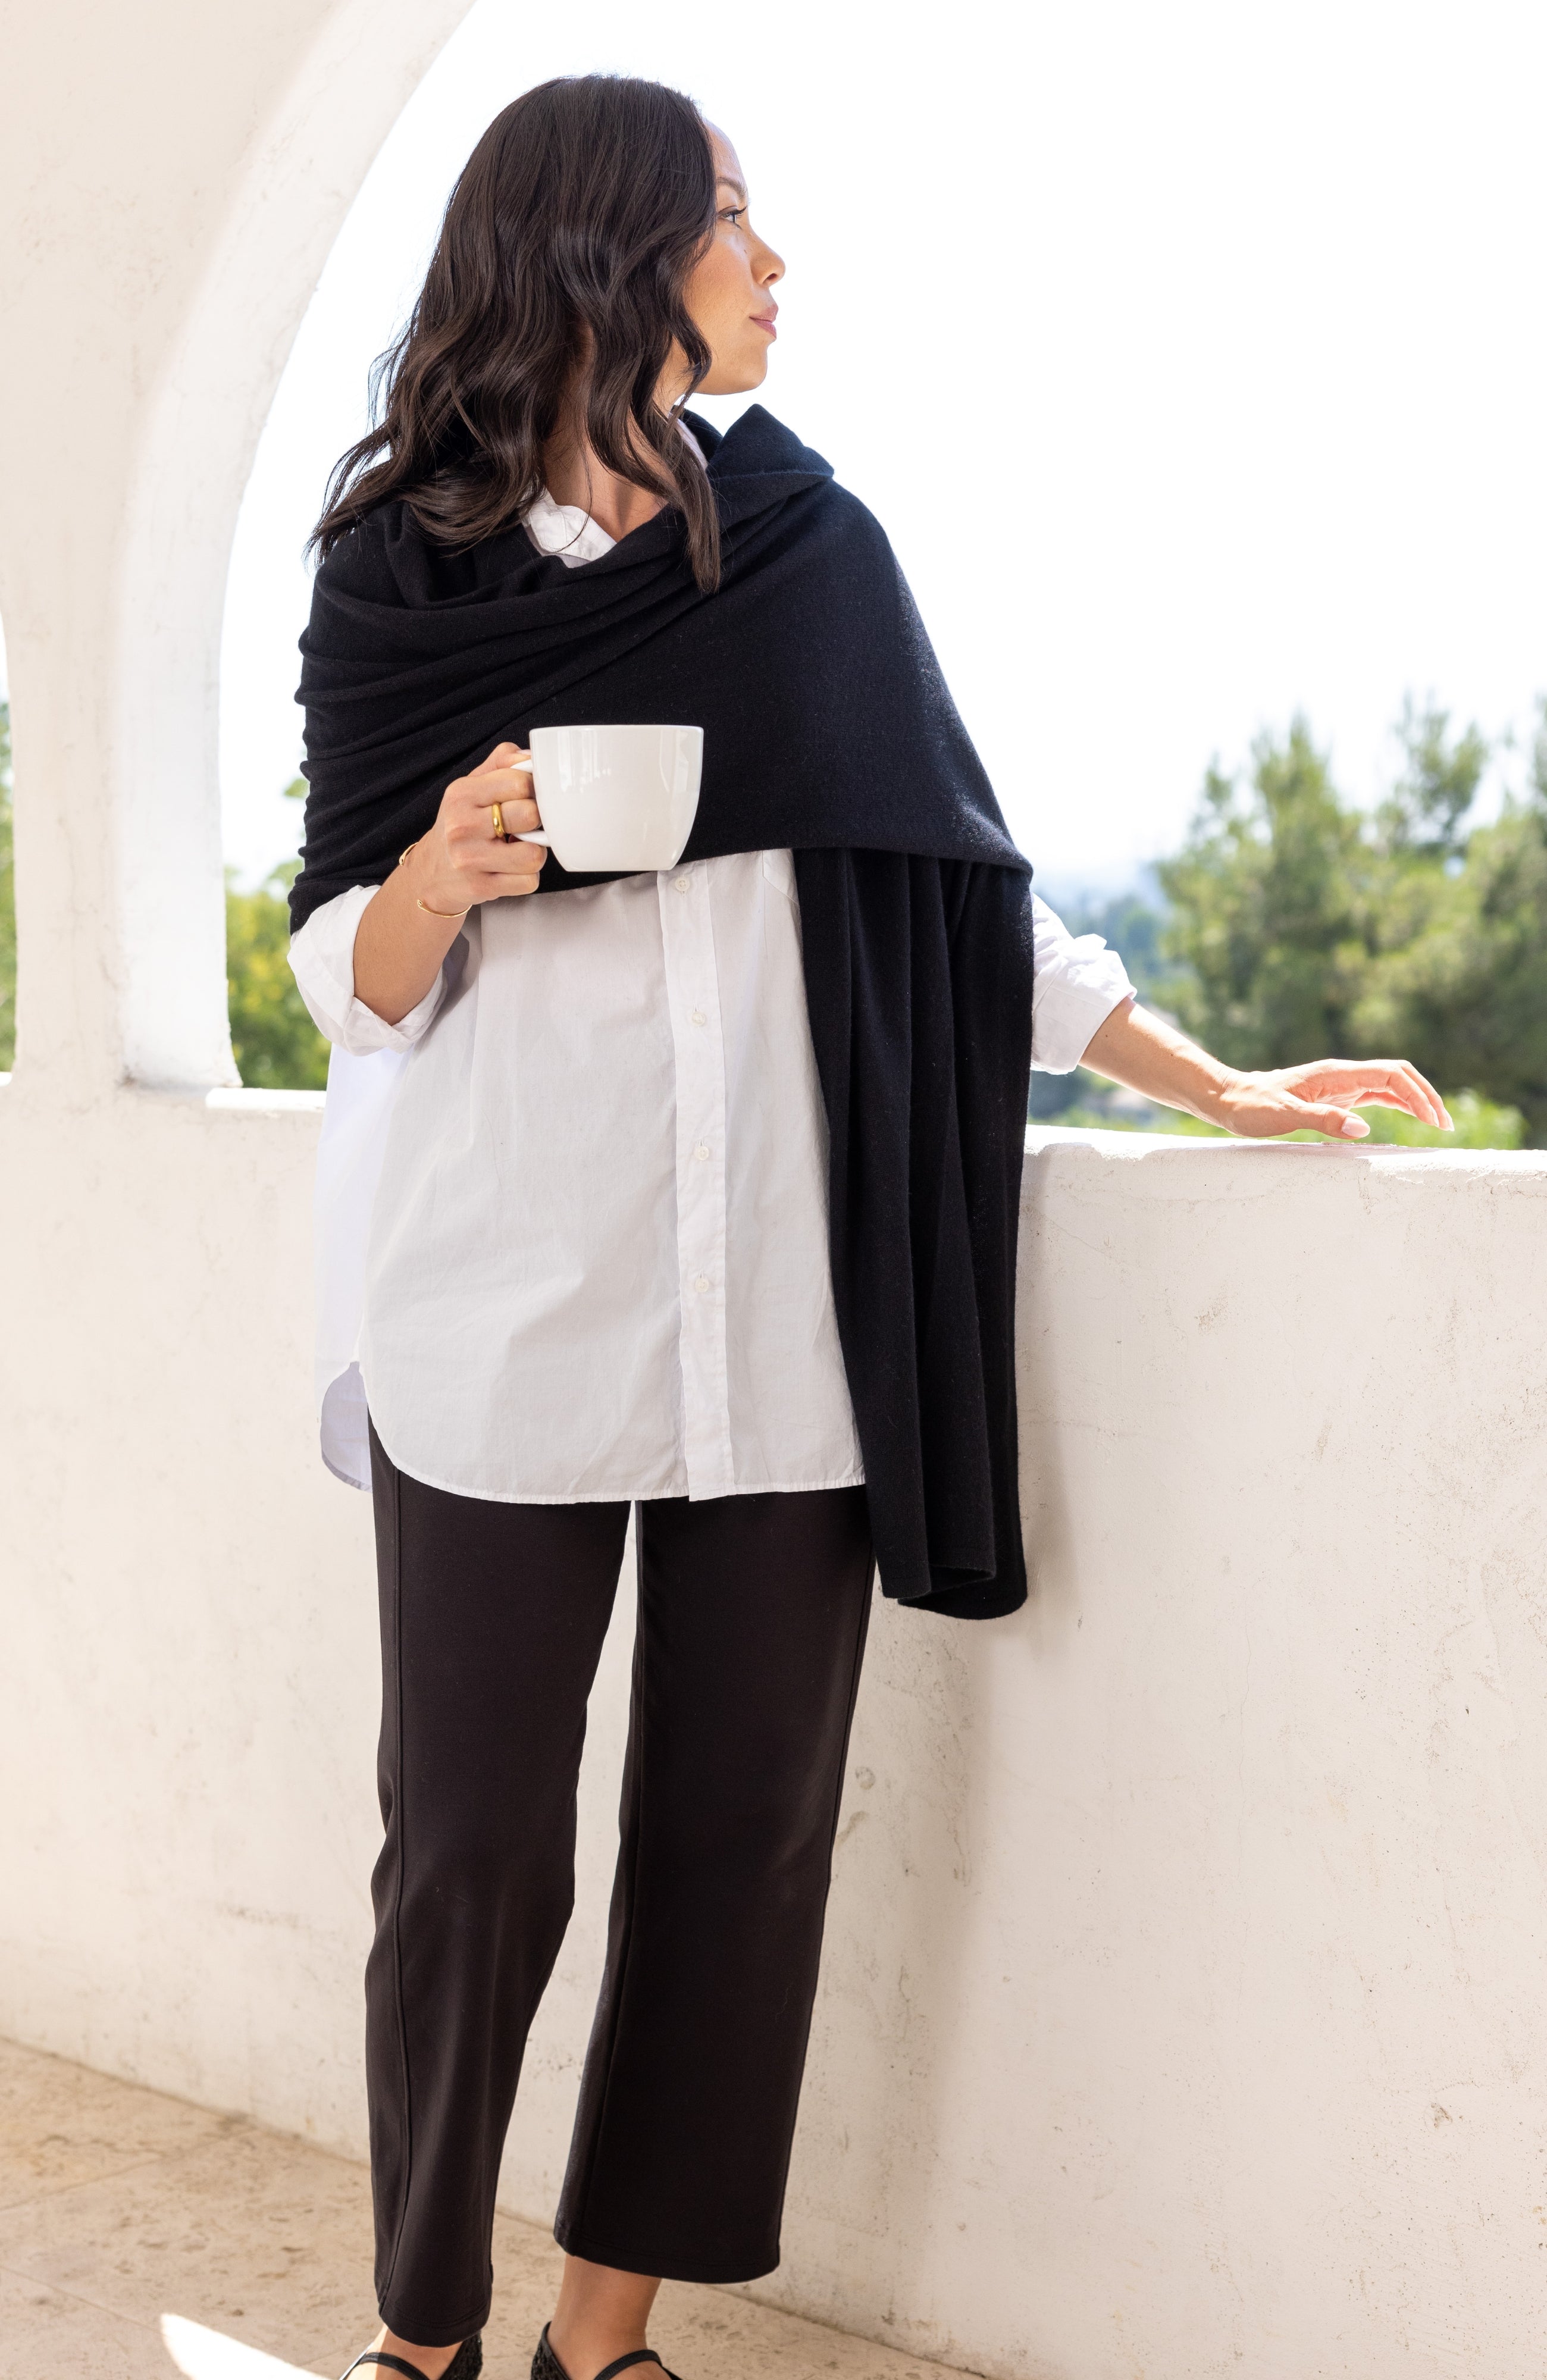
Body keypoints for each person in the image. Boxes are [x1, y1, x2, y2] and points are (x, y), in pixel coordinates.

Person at [286, 74, 1449, 2380]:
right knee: (471, 1854)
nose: (776, 263)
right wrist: (432, 876)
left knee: (739, 1844)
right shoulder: (397, 573)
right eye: (734, 219)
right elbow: (347, 966)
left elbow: (939, 892)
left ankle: (593, 2340)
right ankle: (419, 2338)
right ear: (606, 251)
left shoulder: (806, 549)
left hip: (785, 1330)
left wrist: (1203, 1076)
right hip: (497, 1311)